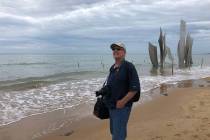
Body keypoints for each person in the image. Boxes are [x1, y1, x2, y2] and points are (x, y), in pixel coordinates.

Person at [106, 42, 140, 140]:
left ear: (124, 52)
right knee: (115, 131)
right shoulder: (112, 67)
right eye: (113, 49)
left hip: (122, 107)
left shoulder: (129, 67)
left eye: (118, 49)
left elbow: (135, 88)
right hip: (112, 105)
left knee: (118, 136)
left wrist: (122, 102)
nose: (115, 51)